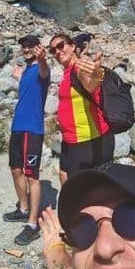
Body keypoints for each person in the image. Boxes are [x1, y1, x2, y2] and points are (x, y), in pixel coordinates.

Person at [2, 34, 50, 245]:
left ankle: (32, 225)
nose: (27, 49)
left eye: (31, 45)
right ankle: (23, 208)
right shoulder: (26, 71)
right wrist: (19, 75)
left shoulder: (42, 69)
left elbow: (44, 70)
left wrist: (43, 59)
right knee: (15, 169)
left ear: (38, 48)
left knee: (32, 176)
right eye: (24, 46)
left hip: (32, 129)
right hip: (18, 127)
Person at [48, 32, 114, 185]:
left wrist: (96, 73)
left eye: (60, 46)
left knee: (87, 190)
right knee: (65, 176)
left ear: (72, 46)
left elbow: (91, 85)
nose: (57, 52)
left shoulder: (78, 68)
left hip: (88, 140)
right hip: (71, 140)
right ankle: (69, 208)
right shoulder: (68, 72)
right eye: (53, 50)